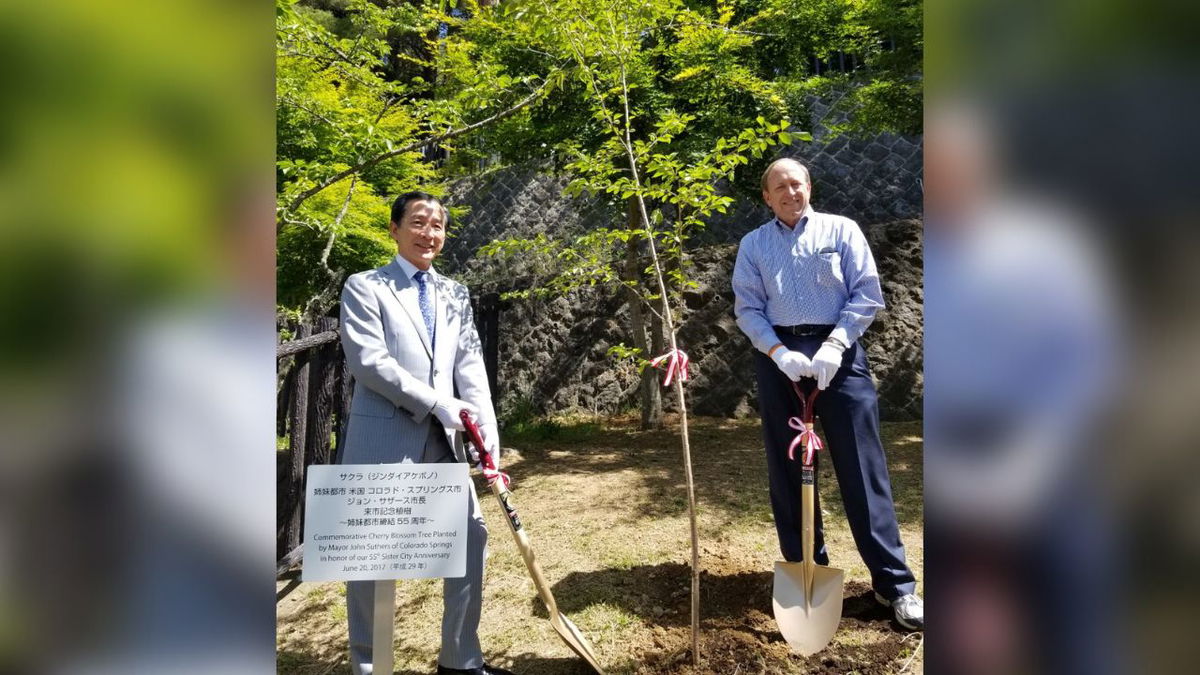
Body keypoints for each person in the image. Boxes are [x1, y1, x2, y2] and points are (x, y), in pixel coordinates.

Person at [732, 158, 923, 630]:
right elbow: (748, 307)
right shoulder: (753, 244)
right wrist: (778, 352)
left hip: (840, 354)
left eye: (796, 183)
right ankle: (805, 570)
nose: (790, 192)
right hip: (780, 359)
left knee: (863, 468)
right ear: (767, 197)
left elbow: (866, 293)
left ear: (809, 186)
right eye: (779, 186)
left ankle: (895, 585)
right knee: (789, 468)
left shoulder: (842, 231)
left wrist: (836, 345)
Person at [339, 191, 513, 675]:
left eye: (437, 225)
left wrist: (488, 442)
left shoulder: (455, 293)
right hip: (385, 442)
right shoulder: (365, 286)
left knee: (471, 540)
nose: (429, 233)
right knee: (373, 562)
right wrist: (439, 403)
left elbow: (471, 369)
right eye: (418, 222)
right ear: (394, 229)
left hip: (448, 445)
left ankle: (461, 660)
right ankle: (371, 667)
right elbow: (370, 364)